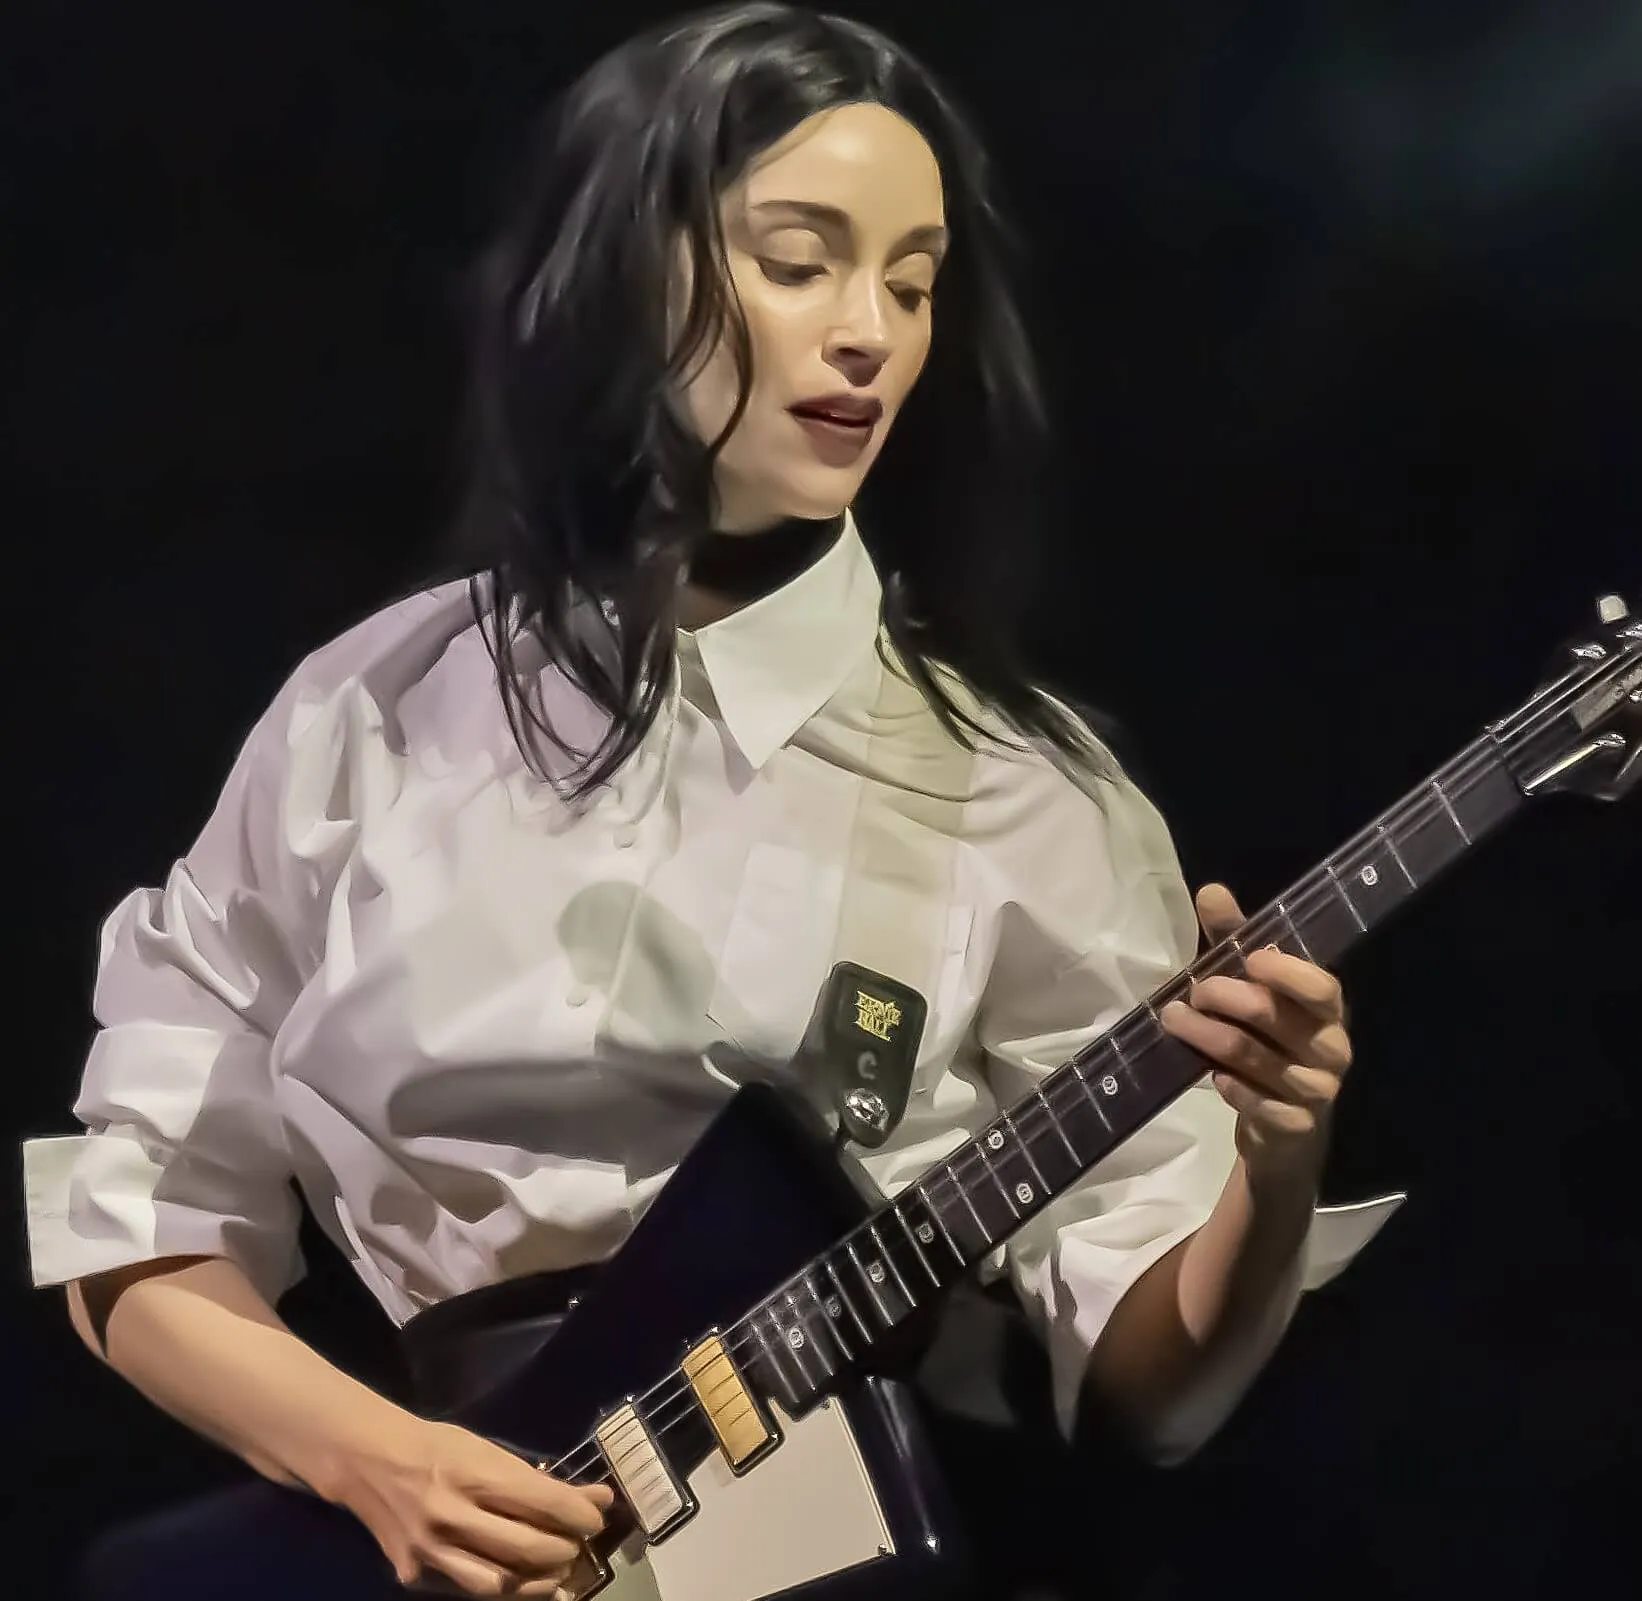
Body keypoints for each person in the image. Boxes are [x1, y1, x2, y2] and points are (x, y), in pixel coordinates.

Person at [22, 5, 1402, 1598]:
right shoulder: (370, 710)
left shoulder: (1022, 797)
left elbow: (1146, 1396)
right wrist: (379, 1465)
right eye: (800, 259)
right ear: (629, 273)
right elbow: (136, 1214)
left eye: (911, 278)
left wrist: (1274, 1163)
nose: (869, 332)